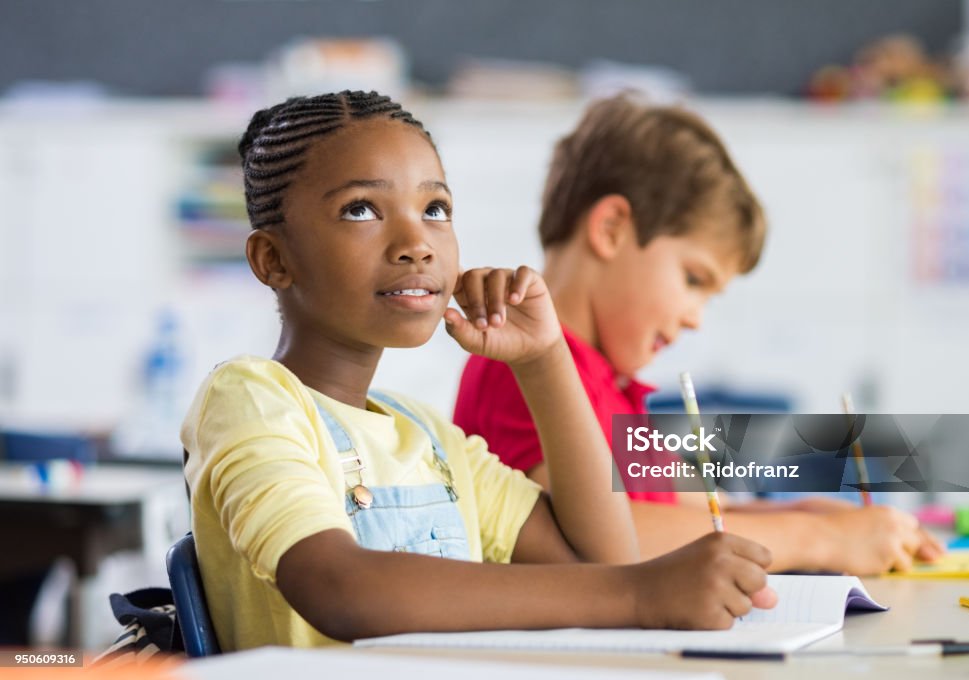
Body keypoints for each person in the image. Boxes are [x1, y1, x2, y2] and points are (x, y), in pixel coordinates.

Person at [180, 90, 777, 652]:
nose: (417, 243)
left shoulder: (431, 439)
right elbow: (339, 587)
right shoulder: (253, 399)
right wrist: (642, 594)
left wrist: (545, 361)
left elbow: (602, 557)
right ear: (273, 259)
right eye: (361, 209)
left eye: (435, 208)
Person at [453, 94, 944, 575]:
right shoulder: (527, 368)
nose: (695, 318)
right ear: (611, 230)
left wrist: (811, 518)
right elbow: (599, 542)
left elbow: (689, 515)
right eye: (693, 279)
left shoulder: (605, 381)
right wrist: (818, 541)